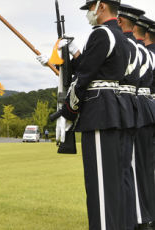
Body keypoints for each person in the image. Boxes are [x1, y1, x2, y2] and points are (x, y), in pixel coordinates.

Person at [37, 0, 130, 229]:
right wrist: (59, 62)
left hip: (99, 112)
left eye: (90, 7)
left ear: (102, 6)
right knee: (112, 182)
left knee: (99, 184)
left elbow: (82, 78)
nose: (89, 12)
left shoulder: (101, 34)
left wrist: (69, 110)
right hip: (114, 110)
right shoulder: (119, 37)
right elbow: (91, 68)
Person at [117, 4, 144, 229]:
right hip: (138, 105)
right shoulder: (142, 50)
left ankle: (135, 218)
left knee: (129, 167)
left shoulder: (123, 45)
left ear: (120, 21)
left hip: (123, 106)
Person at [132, 15, 155, 230]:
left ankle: (143, 218)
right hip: (150, 109)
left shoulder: (142, 54)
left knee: (139, 168)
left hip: (141, 110)